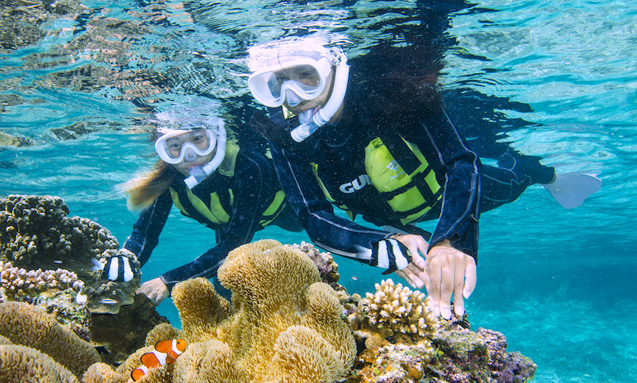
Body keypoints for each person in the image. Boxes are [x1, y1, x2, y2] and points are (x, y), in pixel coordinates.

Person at [246, 36, 601, 319]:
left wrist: (453, 240)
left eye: (306, 77)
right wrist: (381, 246)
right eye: (277, 84)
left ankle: (546, 175)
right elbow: (312, 215)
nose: (292, 98)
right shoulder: (284, 136)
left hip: (440, 194)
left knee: (511, 183)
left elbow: (461, 164)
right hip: (388, 219)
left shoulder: (394, 93)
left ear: (334, 68)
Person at [121, 103, 300, 306]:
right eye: (175, 146)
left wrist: (168, 281)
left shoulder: (249, 166)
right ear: (164, 151)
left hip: (285, 212)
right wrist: (124, 261)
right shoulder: (169, 179)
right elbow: (145, 234)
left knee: (302, 229)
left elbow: (235, 243)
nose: (189, 155)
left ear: (216, 136)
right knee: (224, 286)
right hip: (226, 225)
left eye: (198, 139)